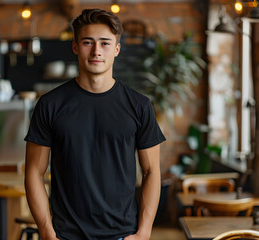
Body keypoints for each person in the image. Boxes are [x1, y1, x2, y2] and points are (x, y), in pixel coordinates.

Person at [24, 8, 166, 240]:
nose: (96, 51)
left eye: (105, 43)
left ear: (117, 49)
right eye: (88, 42)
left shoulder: (139, 106)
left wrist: (144, 233)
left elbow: (151, 171)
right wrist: (47, 232)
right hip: (66, 235)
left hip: (122, 234)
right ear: (75, 47)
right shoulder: (50, 105)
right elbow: (33, 172)